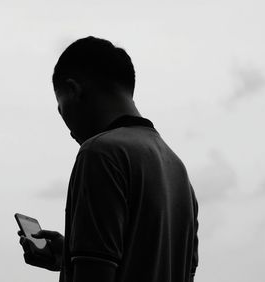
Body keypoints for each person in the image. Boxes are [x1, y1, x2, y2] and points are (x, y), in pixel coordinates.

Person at [17, 36, 199, 282]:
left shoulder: (100, 153)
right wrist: (72, 258)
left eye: (62, 109)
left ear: (74, 90)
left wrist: (81, 266)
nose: (69, 131)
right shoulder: (178, 172)